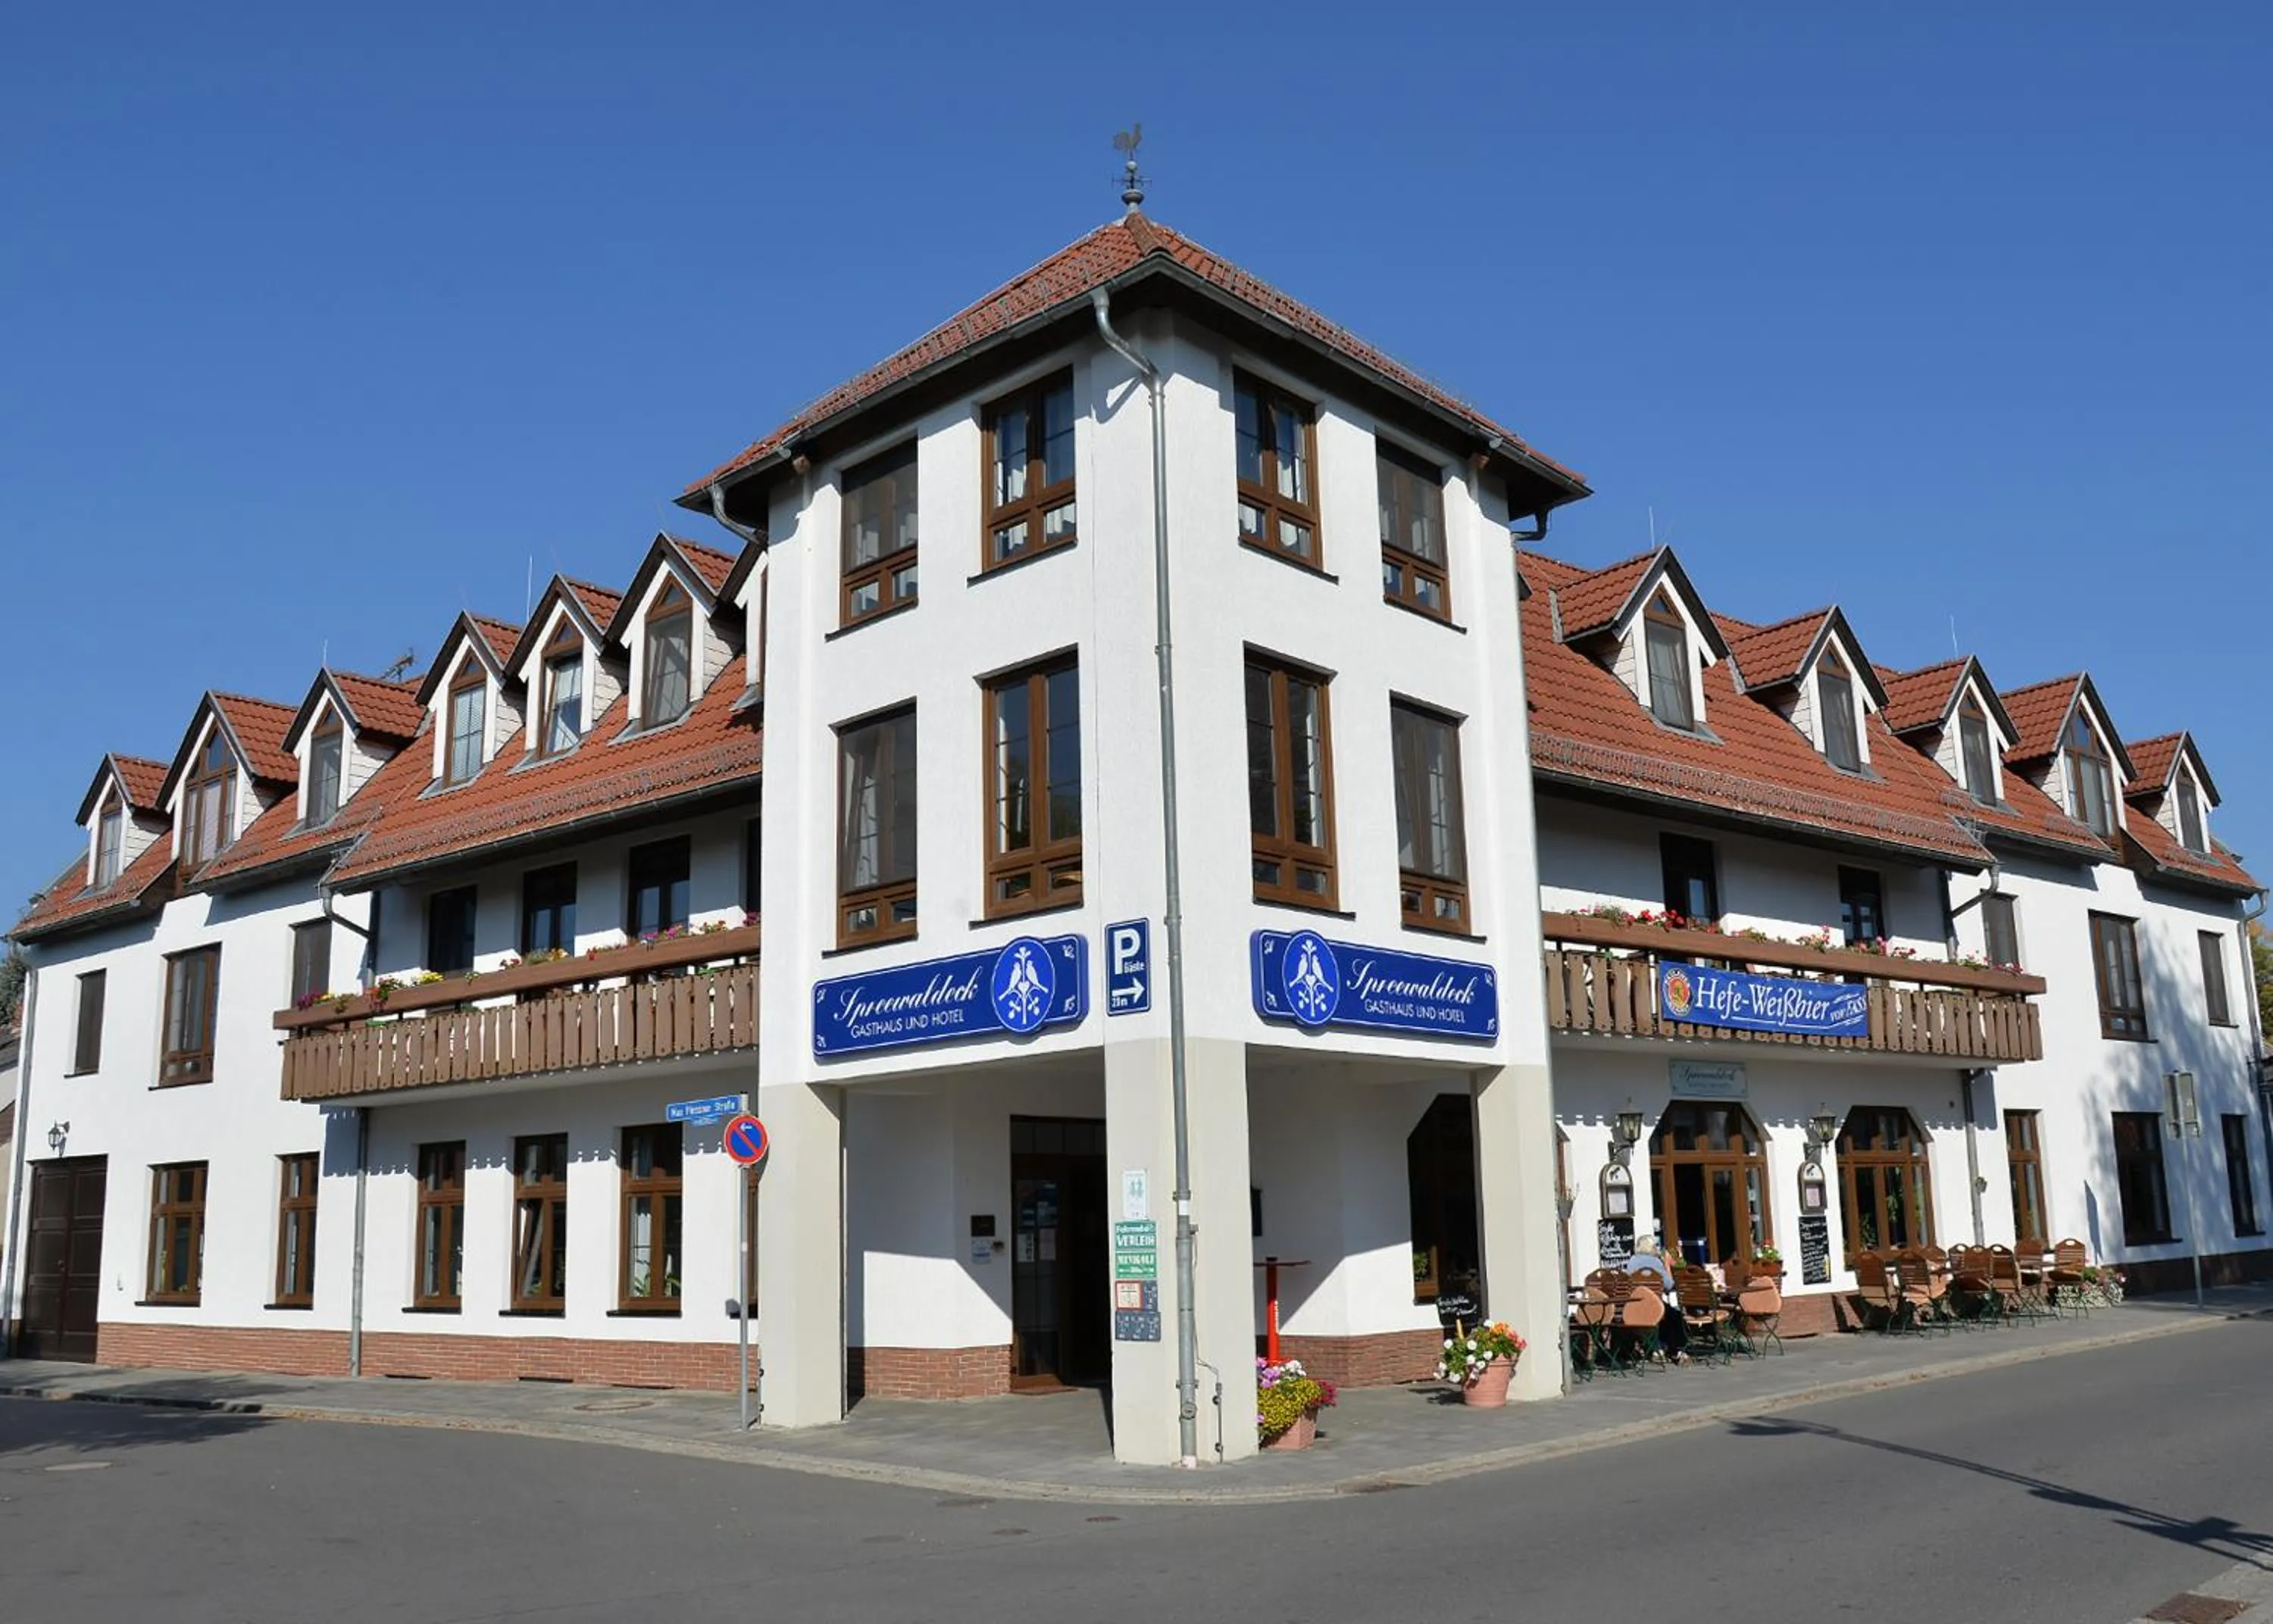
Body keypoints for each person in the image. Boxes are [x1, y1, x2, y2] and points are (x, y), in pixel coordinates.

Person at [1624, 1239, 1690, 1364]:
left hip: (1635, 1306)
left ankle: (1658, 1348)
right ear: (1651, 1248)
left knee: (1667, 1315)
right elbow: (1669, 1285)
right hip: (1655, 1307)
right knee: (1675, 1316)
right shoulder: (1656, 1262)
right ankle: (1676, 1350)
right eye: (1656, 1246)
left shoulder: (1632, 1261)